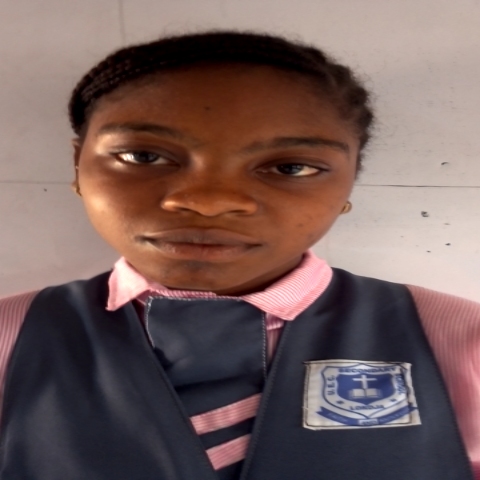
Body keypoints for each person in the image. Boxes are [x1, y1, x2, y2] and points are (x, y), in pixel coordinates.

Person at [0, 30, 478, 480]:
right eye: (143, 156)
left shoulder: (462, 340)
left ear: (349, 182)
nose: (208, 201)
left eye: (290, 167)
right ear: (78, 166)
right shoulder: (10, 335)